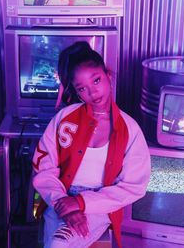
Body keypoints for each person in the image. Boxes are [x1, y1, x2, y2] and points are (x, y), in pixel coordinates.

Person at [32, 41, 151, 248]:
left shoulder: (130, 130)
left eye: (96, 80)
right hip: (60, 197)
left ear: (108, 75)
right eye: (82, 88)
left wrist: (80, 203)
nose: (93, 93)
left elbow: (134, 186)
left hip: (99, 203)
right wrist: (63, 202)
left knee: (59, 243)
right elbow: (43, 168)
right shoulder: (64, 119)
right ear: (77, 93)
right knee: (54, 243)